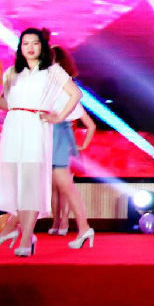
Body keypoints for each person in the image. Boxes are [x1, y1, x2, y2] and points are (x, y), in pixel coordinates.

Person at [0, 28, 82, 257]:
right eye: (25, 43)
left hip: (35, 128)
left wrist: (58, 116)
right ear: (20, 48)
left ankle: (26, 238)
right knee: (17, 185)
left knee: (30, 184)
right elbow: (6, 105)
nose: (30, 47)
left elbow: (75, 94)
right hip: (13, 128)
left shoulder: (52, 71)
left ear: (42, 46)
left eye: (34, 43)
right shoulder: (11, 73)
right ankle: (19, 232)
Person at [45, 45, 98, 250]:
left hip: (61, 142)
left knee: (62, 187)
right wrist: (82, 145)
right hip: (61, 142)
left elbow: (90, 125)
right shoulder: (57, 92)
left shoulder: (64, 94)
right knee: (61, 187)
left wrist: (82, 145)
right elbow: (90, 125)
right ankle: (61, 223)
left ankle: (62, 223)